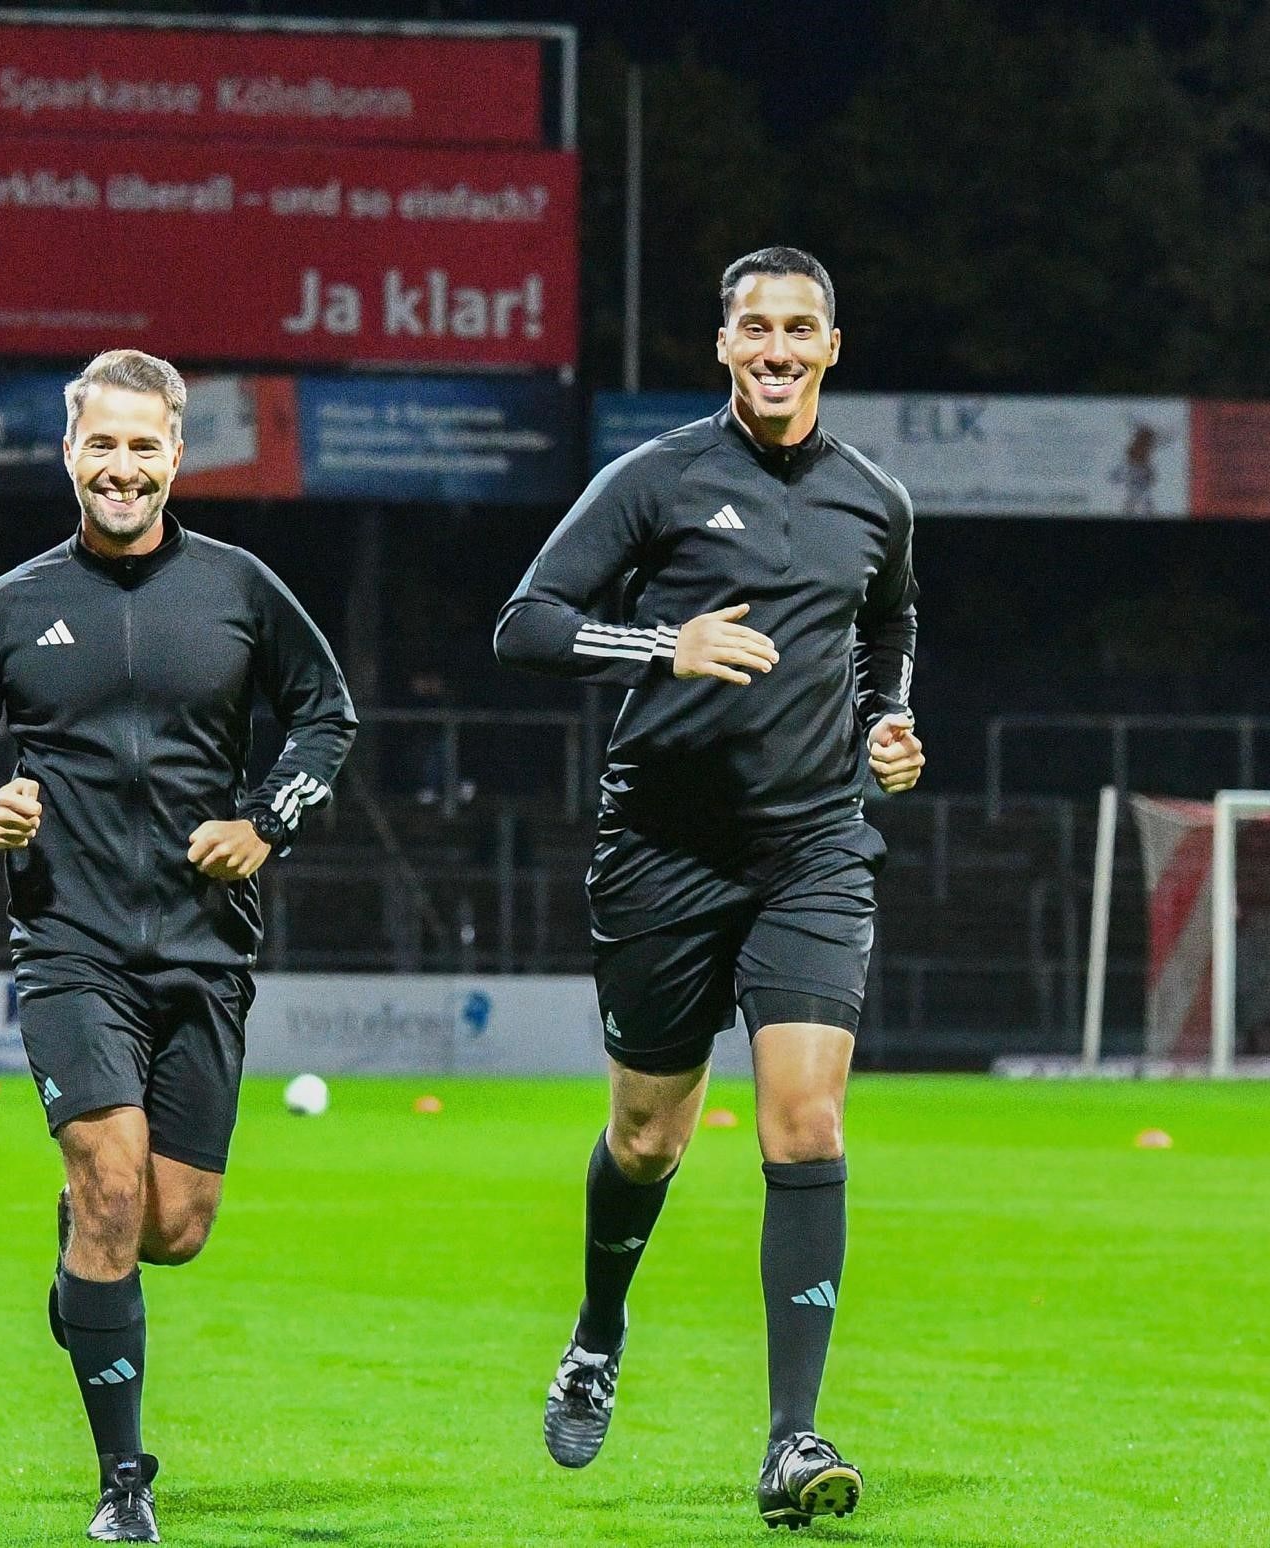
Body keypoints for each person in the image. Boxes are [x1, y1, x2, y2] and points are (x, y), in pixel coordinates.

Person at [494, 247, 923, 1531]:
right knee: (648, 1138)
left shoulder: (875, 501)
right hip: (663, 855)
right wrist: (661, 643)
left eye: (800, 327)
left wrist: (886, 726)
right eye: (755, 327)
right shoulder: (658, 479)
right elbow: (525, 622)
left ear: (831, 348)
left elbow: (889, 629)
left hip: (812, 851)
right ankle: (596, 1330)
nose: (777, 347)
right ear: (724, 345)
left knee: (807, 1122)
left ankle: (793, 1441)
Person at [0, 349, 356, 1543]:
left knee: (171, 1228)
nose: (120, 466)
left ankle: (82, 1262)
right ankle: (124, 1484)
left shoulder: (242, 590)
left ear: (174, 454)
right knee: (109, 1180)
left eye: (142, 446)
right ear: (69, 454)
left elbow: (329, 713)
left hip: (206, 951)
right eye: (99, 445)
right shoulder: (10, 605)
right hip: (71, 942)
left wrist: (266, 824)